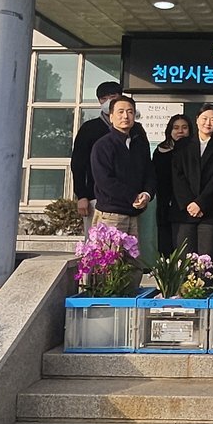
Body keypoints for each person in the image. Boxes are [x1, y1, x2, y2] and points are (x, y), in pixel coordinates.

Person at [89, 95, 155, 290]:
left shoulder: (139, 143)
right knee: (108, 264)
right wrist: (132, 196)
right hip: (111, 215)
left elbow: (149, 172)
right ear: (111, 117)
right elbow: (105, 181)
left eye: (130, 112)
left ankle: (129, 299)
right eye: (120, 112)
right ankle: (107, 301)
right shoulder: (103, 145)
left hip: (133, 214)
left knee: (133, 263)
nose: (125, 116)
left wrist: (146, 194)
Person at [172, 103, 213, 258]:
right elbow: (177, 176)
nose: (208, 123)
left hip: (210, 212)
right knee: (184, 261)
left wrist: (200, 203)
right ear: (197, 119)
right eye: (205, 118)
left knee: (207, 261)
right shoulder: (182, 145)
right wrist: (189, 203)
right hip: (185, 211)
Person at [69, 80, 124, 232]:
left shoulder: (133, 129)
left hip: (126, 199)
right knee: (97, 242)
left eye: (112, 97)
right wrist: (81, 195)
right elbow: (78, 164)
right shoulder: (89, 128)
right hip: (95, 197)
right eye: (103, 99)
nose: (108, 102)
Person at [152, 113, 192, 259]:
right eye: (176, 128)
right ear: (170, 130)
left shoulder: (194, 150)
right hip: (165, 204)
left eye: (184, 127)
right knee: (166, 246)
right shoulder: (160, 151)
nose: (180, 131)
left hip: (187, 205)